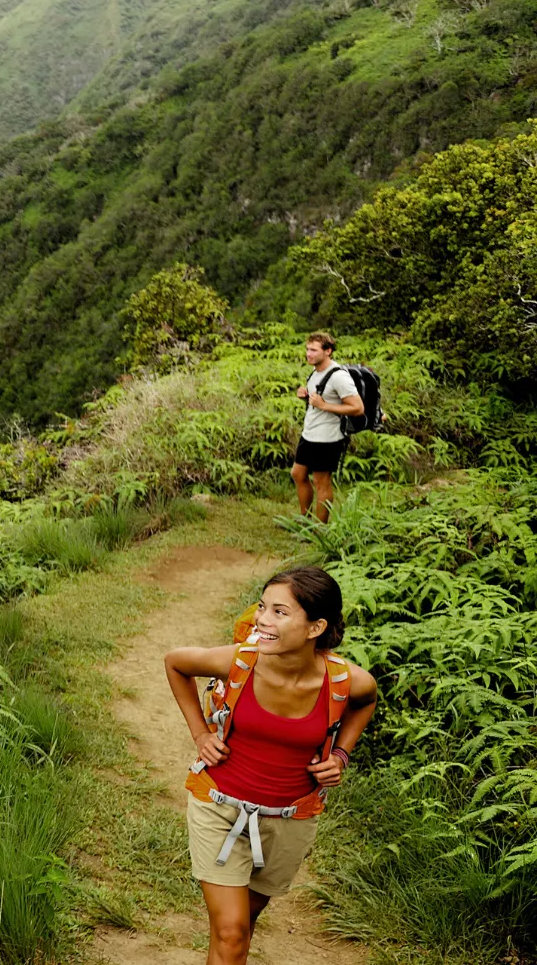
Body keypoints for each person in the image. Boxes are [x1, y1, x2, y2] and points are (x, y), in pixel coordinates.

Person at [164, 567, 378, 965]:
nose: (261, 619)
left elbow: (367, 701)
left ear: (316, 627)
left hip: (289, 820)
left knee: (241, 926)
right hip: (219, 807)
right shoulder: (240, 662)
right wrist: (200, 735)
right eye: (262, 607)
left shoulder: (344, 681)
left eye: (280, 612)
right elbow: (176, 663)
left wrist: (341, 756)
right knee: (231, 932)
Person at [291, 331, 363, 523]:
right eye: (307, 349)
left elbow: (358, 408)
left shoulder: (339, 376)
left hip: (328, 437)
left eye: (313, 350)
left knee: (321, 483)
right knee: (298, 474)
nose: (308, 354)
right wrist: (307, 397)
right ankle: (304, 520)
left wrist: (324, 405)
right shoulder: (316, 371)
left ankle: (319, 529)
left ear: (328, 351)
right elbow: (321, 399)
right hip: (310, 433)